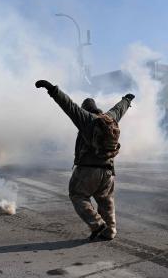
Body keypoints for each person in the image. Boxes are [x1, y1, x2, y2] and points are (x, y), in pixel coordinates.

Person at [35, 79, 134, 240]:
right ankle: (110, 231)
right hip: (108, 171)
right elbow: (119, 109)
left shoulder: (86, 119)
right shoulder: (110, 118)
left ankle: (97, 224)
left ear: (85, 109)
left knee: (77, 194)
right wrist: (127, 99)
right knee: (106, 201)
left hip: (88, 169)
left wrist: (52, 89)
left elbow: (68, 105)